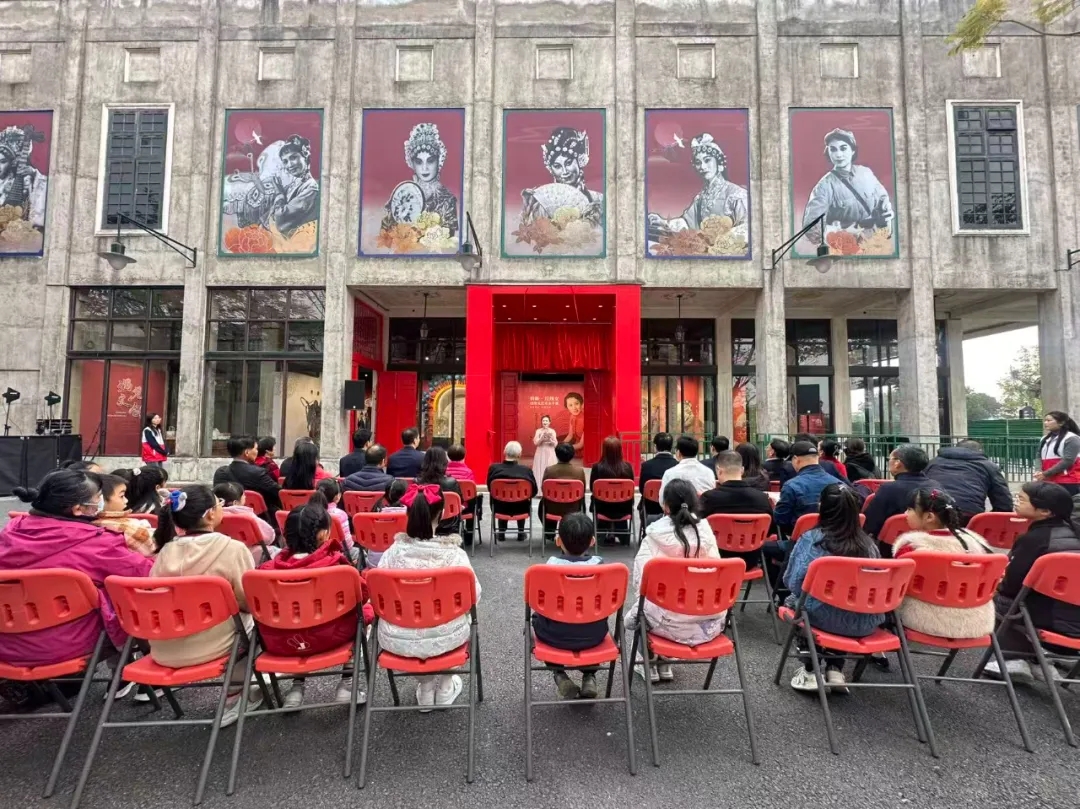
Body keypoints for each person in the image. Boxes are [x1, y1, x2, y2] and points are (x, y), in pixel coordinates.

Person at [0, 470, 153, 669]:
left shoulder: (11, 531)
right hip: (71, 645)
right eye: (98, 498)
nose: (101, 502)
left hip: (7, 647)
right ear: (78, 509)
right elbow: (147, 575)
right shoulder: (97, 542)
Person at [149, 485, 260, 726]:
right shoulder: (232, 549)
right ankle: (235, 695)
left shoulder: (165, 552)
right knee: (256, 626)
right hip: (214, 646)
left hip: (164, 649)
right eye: (219, 504)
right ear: (210, 514)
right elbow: (248, 602)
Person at [375, 483, 481, 710]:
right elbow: (474, 596)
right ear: (441, 514)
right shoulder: (455, 556)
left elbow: (377, 599)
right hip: (447, 636)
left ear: (407, 514)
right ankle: (445, 686)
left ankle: (425, 688)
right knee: (464, 615)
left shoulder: (391, 554)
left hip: (399, 638)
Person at [259, 496, 368, 708]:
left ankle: (296, 689)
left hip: (285, 643)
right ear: (324, 534)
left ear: (286, 534)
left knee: (297, 621)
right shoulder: (337, 567)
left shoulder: (265, 573)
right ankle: (347, 684)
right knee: (362, 616)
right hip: (332, 638)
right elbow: (361, 596)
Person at [783, 484, 883, 692]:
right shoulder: (870, 546)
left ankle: (810, 670)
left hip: (820, 618)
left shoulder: (812, 540)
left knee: (798, 602)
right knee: (841, 606)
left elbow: (793, 582)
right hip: (863, 621)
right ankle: (835, 669)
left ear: (821, 507)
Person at [626, 480, 724, 683]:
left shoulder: (654, 536)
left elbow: (641, 583)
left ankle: (649, 660)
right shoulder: (707, 534)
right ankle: (665, 660)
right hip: (707, 622)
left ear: (666, 506)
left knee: (637, 613)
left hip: (666, 622)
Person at [985, 481, 1080, 683]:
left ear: (1045, 511)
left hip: (1048, 621)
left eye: (1022, 499)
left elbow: (1011, 587)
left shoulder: (1034, 539)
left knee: (1000, 597)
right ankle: (1038, 660)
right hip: (1074, 624)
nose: (1016, 501)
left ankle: (1014, 659)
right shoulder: (1074, 533)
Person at [892, 488, 998, 639]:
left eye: (910, 509)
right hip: (975, 621)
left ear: (929, 517)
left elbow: (896, 583)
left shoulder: (912, 548)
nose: (905, 513)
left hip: (923, 619)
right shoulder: (976, 544)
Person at [531, 513, 606, 700]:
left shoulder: (548, 569)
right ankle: (589, 676)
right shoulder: (602, 568)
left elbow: (539, 604)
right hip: (594, 635)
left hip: (554, 636)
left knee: (534, 619)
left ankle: (559, 675)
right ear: (592, 541)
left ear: (558, 541)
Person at [646, 133, 749, 245]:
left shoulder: (737, 194)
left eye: (707, 160)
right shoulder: (701, 198)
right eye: (698, 163)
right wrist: (663, 223)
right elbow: (687, 223)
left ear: (719, 163)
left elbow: (748, 227)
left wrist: (723, 242)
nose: (703, 167)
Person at [801, 128, 894, 247]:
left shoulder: (866, 173)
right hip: (848, 248)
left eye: (843, 148)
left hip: (876, 243)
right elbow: (811, 227)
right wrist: (840, 234)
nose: (838, 154)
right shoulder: (824, 187)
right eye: (833, 149)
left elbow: (882, 198)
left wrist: (886, 212)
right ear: (828, 152)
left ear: (853, 150)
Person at [380, 122, 459, 238]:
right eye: (419, 162)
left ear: (439, 161)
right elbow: (385, 234)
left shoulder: (447, 200)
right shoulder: (402, 193)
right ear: (412, 163)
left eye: (430, 161)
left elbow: (448, 240)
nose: (424, 168)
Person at [699, 450, 775, 570]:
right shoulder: (762, 498)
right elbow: (770, 531)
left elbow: (697, 528)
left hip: (716, 559)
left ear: (718, 470)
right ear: (742, 470)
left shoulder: (709, 498)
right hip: (750, 560)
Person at [925, 439, 1014, 524]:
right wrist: (990, 520)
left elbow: (920, 485)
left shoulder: (933, 463)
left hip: (932, 515)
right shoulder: (988, 466)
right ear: (979, 451)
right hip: (969, 517)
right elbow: (1004, 502)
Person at [863, 445, 935, 539]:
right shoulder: (936, 486)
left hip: (893, 544)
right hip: (930, 541)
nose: (888, 462)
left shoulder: (888, 489)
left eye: (889, 459)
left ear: (897, 463)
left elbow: (869, 524)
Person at [774, 441, 843, 536]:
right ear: (817, 457)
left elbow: (781, 519)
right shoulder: (839, 483)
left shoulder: (791, 486)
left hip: (800, 539)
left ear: (796, 459)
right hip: (835, 538)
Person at [213, 435, 282, 514]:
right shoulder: (258, 473)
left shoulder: (220, 472)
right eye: (256, 449)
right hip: (257, 516)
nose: (257, 452)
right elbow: (278, 493)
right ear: (247, 452)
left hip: (225, 516)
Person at [93, 473, 156, 557]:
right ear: (100, 500)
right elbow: (155, 552)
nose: (126, 500)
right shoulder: (126, 529)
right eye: (121, 496)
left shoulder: (91, 522)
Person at [486, 441, 538, 541]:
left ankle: (501, 533)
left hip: (499, 508)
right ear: (519, 454)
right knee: (522, 500)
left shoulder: (494, 468)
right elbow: (534, 491)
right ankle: (521, 532)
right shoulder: (526, 470)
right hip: (521, 508)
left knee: (500, 499)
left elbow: (490, 488)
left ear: (504, 452)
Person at [590, 436, 636, 546]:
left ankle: (602, 533)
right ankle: (622, 534)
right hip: (623, 508)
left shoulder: (597, 467)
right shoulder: (627, 467)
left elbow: (593, 488)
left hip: (602, 507)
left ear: (604, 450)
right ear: (620, 450)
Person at [215, 481, 276, 559]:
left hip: (224, 554)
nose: (245, 497)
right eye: (243, 495)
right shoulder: (247, 516)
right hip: (251, 554)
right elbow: (269, 537)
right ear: (235, 502)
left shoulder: (213, 517)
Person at [415, 446, 464, 536]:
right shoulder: (451, 482)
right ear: (444, 462)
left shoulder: (417, 483)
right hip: (449, 525)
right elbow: (461, 502)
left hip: (423, 524)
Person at [540, 442, 586, 534]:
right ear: (572, 455)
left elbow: (543, 489)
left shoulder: (549, 470)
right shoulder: (579, 471)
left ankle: (549, 532)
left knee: (544, 502)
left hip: (552, 508)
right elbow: (582, 491)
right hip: (573, 508)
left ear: (556, 454)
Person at [659, 434, 717, 501]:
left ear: (678, 452)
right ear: (696, 452)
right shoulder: (708, 472)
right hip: (703, 507)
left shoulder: (670, 473)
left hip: (678, 507)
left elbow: (662, 501)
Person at [1036, 411, 1080, 495]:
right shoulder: (1044, 439)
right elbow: (1038, 456)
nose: (1045, 423)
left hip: (1068, 480)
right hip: (1048, 479)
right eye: (1045, 420)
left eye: (1049, 420)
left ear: (1061, 423)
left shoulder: (1071, 438)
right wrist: (1038, 470)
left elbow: (1068, 460)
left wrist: (1046, 473)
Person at [639, 432, 678, 521]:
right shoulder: (677, 465)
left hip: (651, 507)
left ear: (655, 447)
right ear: (671, 447)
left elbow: (642, 489)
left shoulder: (646, 465)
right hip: (671, 507)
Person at [446, 444, 481, 543]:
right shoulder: (468, 472)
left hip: (447, 506)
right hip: (464, 507)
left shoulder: (443, 472)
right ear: (464, 456)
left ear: (448, 456)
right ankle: (469, 536)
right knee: (473, 502)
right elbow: (473, 491)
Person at [532, 415, 558, 482]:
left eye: (546, 421)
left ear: (549, 422)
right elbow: (536, 443)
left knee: (549, 467)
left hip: (550, 451)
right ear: (541, 422)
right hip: (540, 451)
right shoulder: (538, 431)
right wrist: (541, 438)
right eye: (543, 421)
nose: (545, 422)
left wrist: (551, 440)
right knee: (540, 468)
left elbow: (555, 444)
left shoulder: (552, 431)